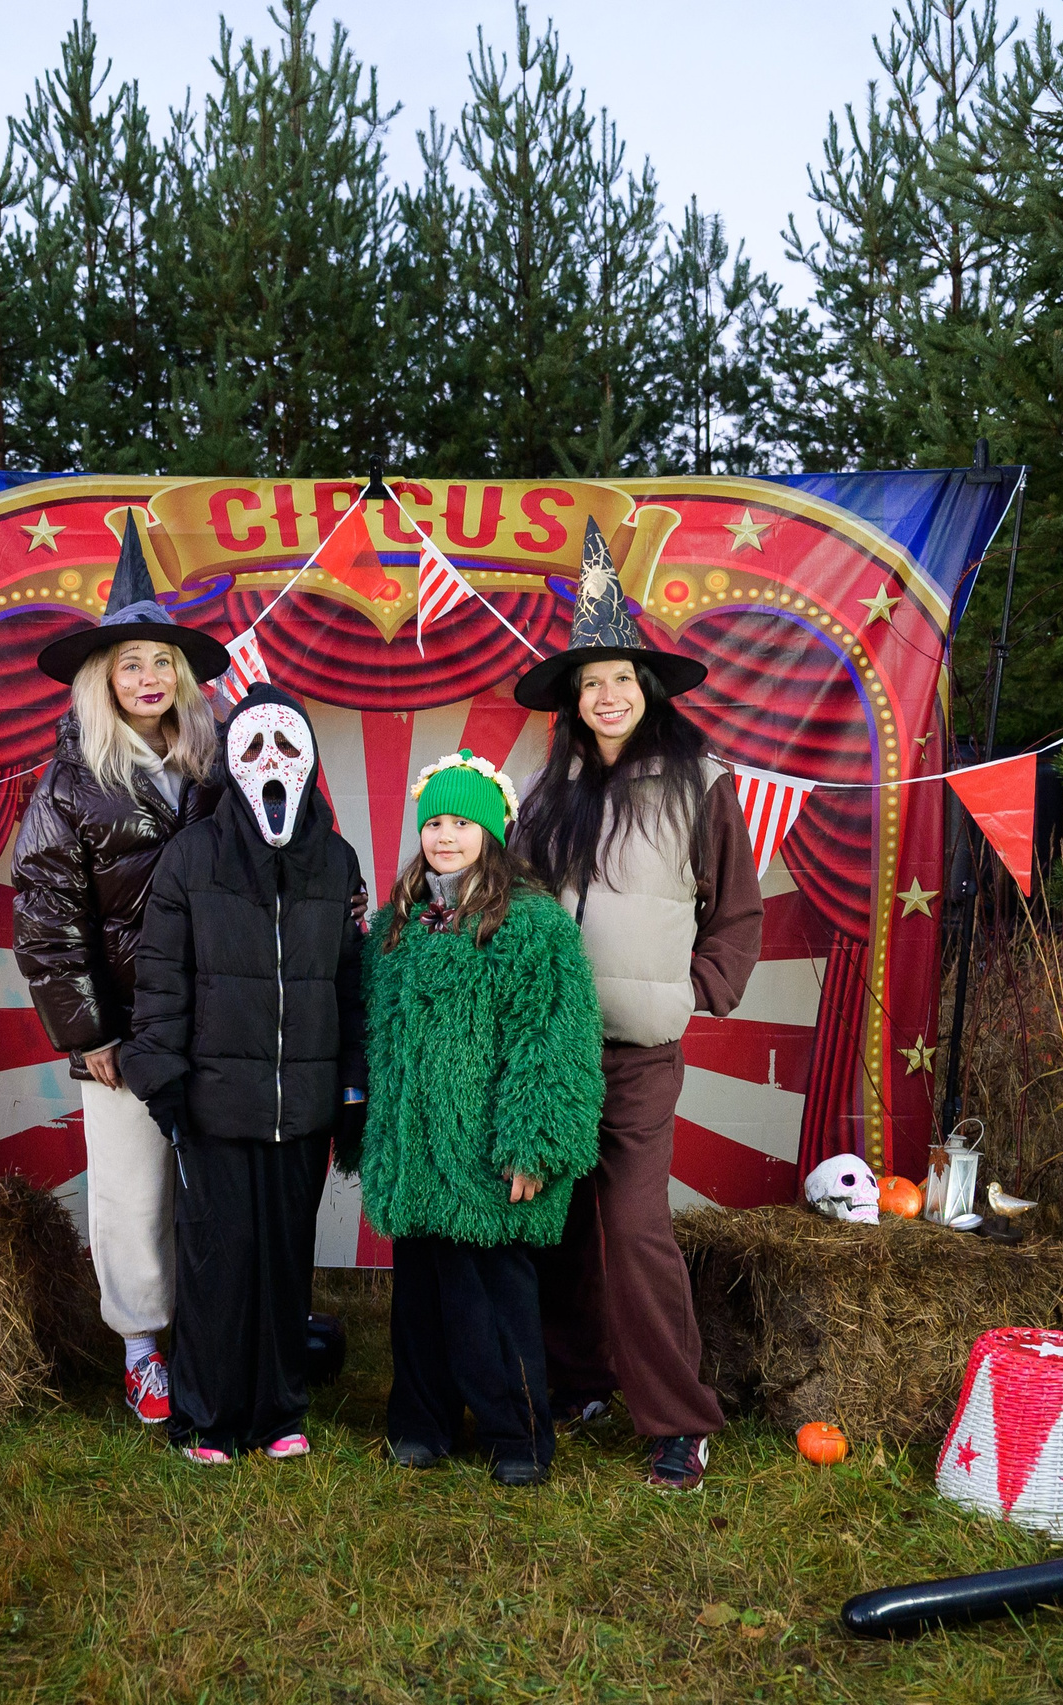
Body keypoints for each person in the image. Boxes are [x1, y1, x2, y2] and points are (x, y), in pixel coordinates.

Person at [512, 519, 764, 1493]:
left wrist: (695, 989)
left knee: (632, 1224)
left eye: (620, 678)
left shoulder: (698, 784)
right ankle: (578, 1380)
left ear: (646, 687)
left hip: (641, 1050)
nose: (606, 695)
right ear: (573, 700)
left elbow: (735, 908)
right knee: (563, 1222)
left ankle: (678, 1421)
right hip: (556, 1047)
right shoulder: (551, 792)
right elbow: (521, 906)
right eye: (590, 683)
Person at [11, 514, 228, 1428]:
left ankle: (220, 1334)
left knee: (214, 1182)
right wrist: (89, 1030)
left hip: (215, 1015)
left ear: (181, 676)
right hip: (126, 1025)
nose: (147, 678)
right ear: (102, 678)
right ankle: (142, 1349)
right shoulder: (70, 785)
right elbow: (46, 919)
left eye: (160, 663)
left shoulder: (215, 767)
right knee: (133, 1189)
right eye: (130, 663)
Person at [122, 682, 368, 1465]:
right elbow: (161, 977)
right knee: (217, 1259)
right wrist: (164, 1082)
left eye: (286, 745)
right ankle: (208, 1417)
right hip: (214, 1106)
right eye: (253, 746)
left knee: (285, 1260)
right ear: (230, 761)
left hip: (302, 1106)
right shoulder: (191, 857)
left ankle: (278, 1411)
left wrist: (352, 1085)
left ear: (310, 760)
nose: (270, 761)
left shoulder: (337, 861)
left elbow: (352, 981)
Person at [356, 749, 604, 1487]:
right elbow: (374, 1035)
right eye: (434, 822)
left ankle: (516, 1433)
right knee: (421, 1301)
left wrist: (534, 1142)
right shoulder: (397, 926)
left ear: (491, 831)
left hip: (485, 1155)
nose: (445, 835)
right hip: (416, 1151)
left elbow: (554, 1040)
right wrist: (373, 1132)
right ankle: (422, 1422)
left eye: (462, 823)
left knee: (493, 1302)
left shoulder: (531, 924)